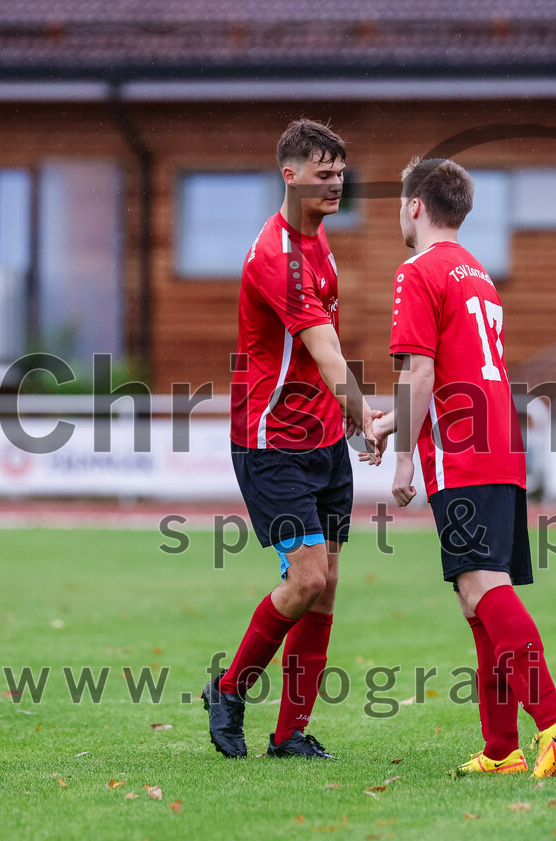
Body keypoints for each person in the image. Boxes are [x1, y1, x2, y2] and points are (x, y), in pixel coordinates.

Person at [371, 157, 556, 778]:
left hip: (462, 455)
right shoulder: (479, 275)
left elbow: (420, 372)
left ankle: (553, 718)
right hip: (499, 446)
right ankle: (502, 750)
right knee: (479, 604)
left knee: (478, 587)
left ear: (415, 206)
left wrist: (405, 459)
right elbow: (455, 372)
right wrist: (393, 423)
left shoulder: (417, 271)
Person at [202, 119, 383, 760]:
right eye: (322, 173)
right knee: (304, 580)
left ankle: (289, 734)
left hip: (323, 441)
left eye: (340, 173)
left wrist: (348, 422)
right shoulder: (276, 257)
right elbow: (326, 351)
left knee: (326, 586)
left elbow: (323, 354)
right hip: (271, 441)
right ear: (289, 174)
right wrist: (366, 412)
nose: (336, 183)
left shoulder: (319, 237)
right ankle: (228, 689)